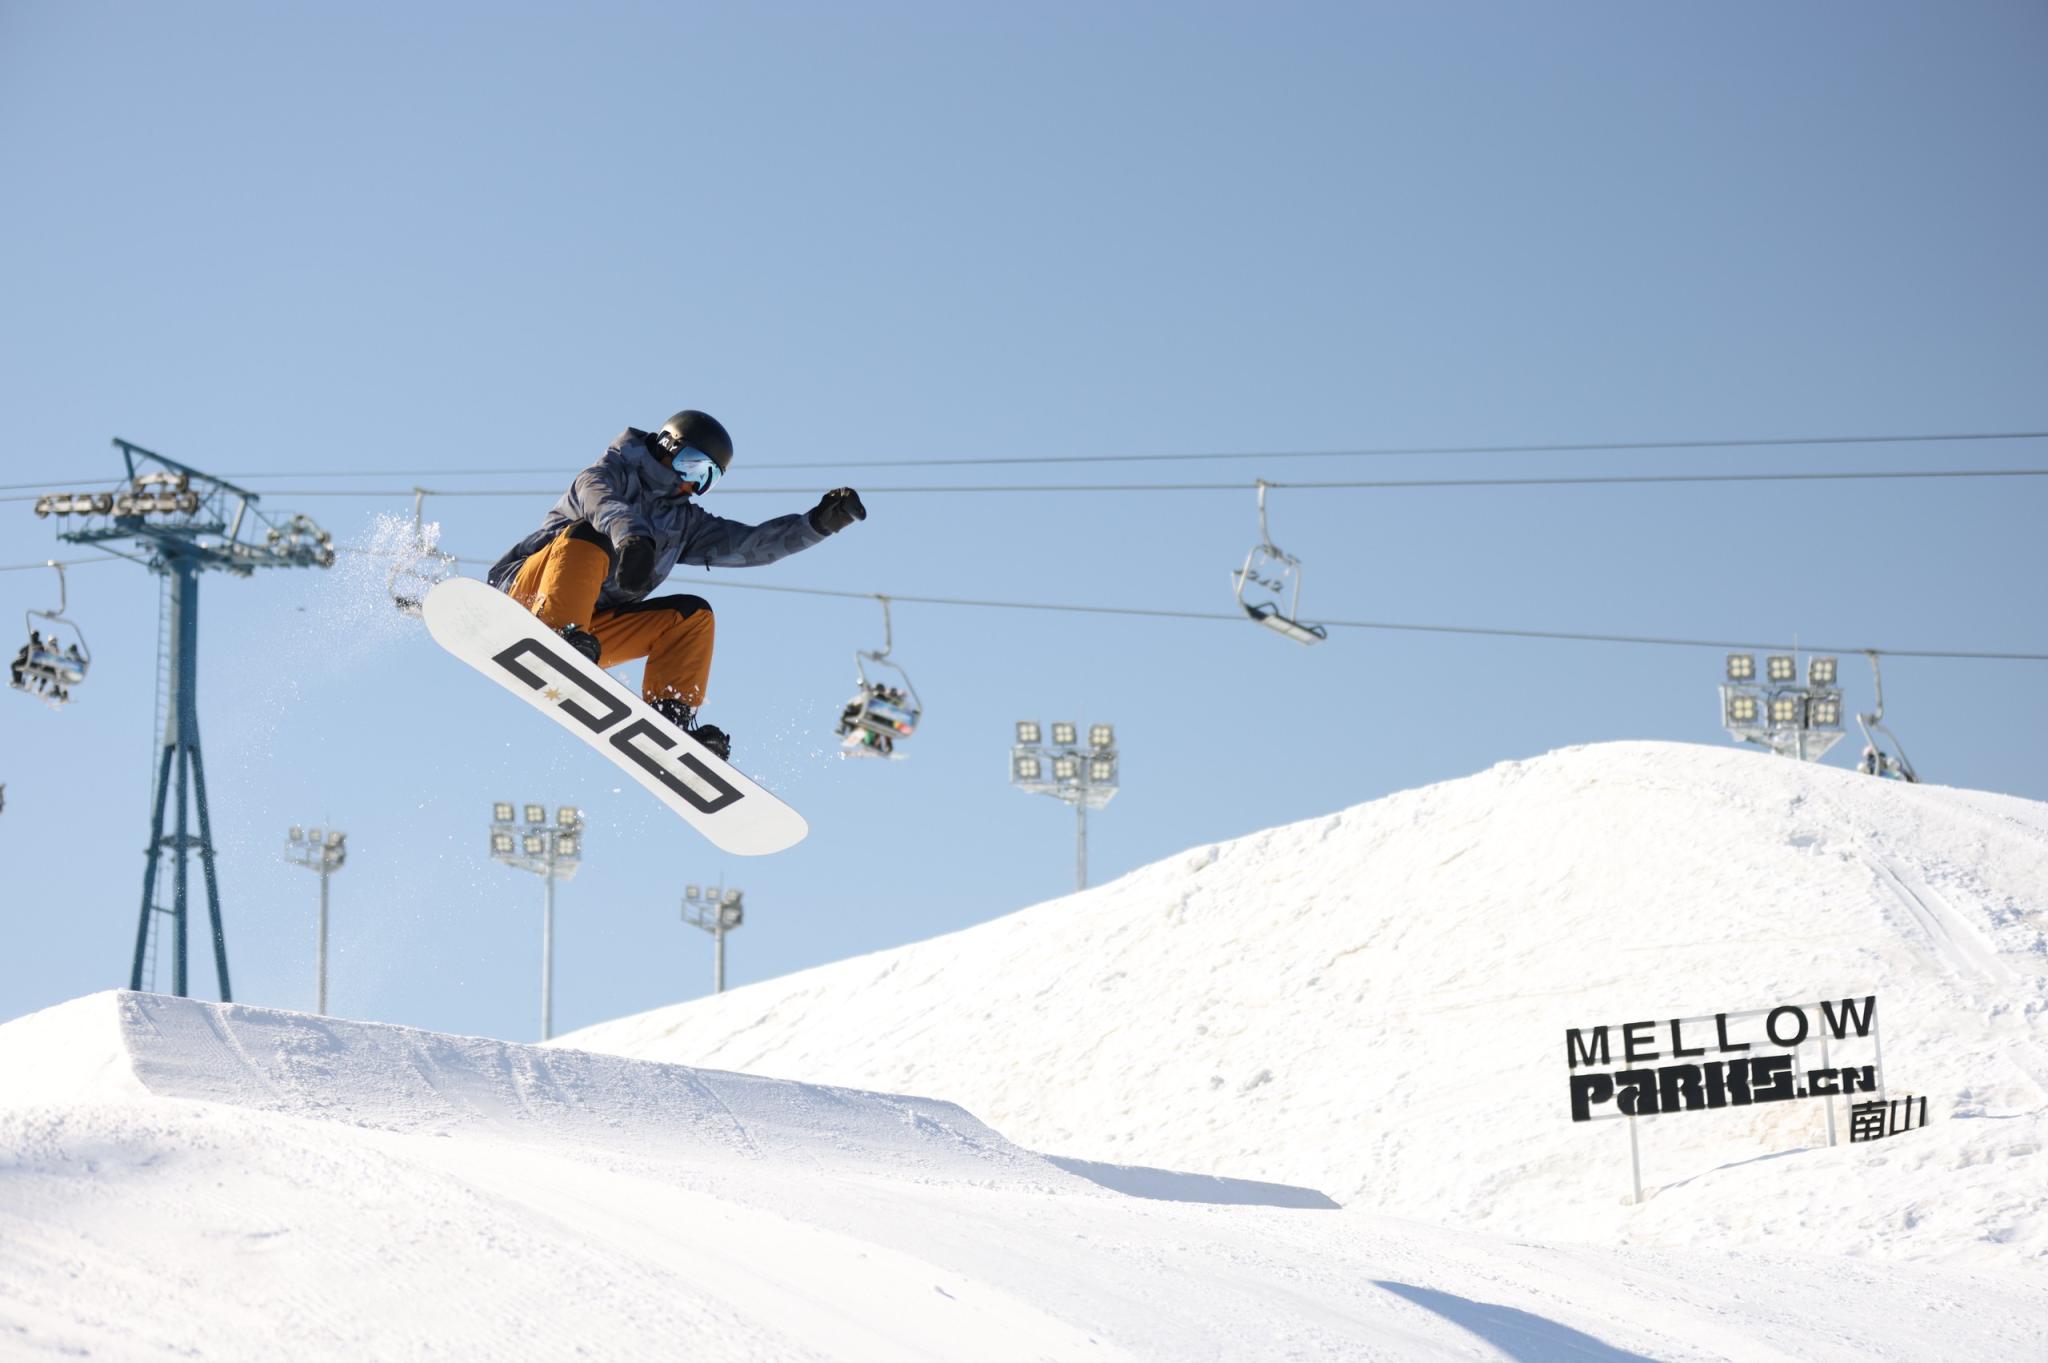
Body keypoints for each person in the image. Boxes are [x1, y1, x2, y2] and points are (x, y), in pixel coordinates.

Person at [487, 410, 865, 760]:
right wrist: (633, 540)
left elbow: (748, 545)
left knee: (692, 616)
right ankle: (558, 633)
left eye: (707, 478)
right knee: (592, 534)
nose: (692, 482)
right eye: (693, 466)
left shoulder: (683, 523)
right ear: (668, 447)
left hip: (588, 634)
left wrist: (817, 524)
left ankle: (670, 717)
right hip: (527, 595)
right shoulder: (605, 474)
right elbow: (602, 505)